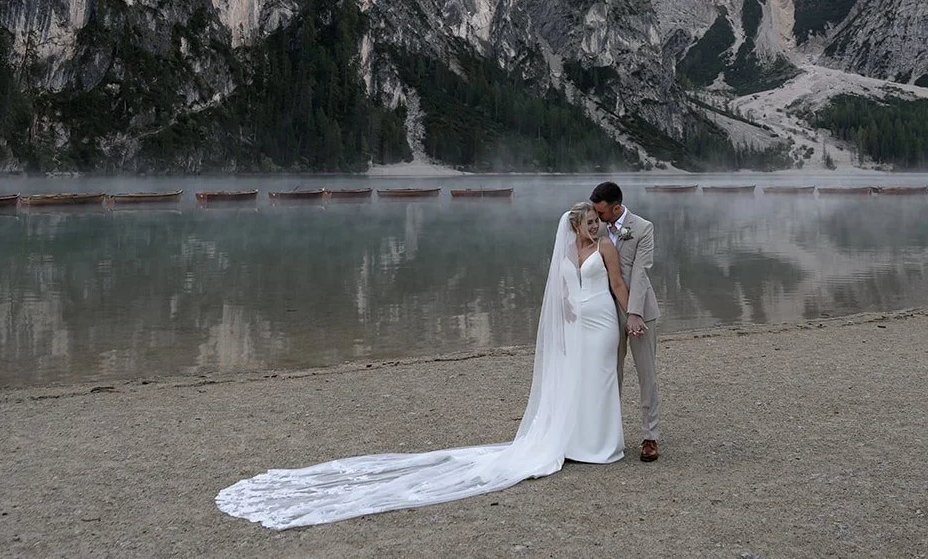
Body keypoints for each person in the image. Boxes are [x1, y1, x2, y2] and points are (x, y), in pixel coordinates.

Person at [215, 205, 630, 529]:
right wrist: (566, 308)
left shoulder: (605, 248)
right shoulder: (566, 251)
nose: (595, 226)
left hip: (601, 321)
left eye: (597, 221)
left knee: (600, 379)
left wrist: (633, 316)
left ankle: (600, 444)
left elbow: (615, 284)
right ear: (575, 226)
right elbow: (559, 289)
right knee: (577, 381)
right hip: (576, 326)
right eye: (590, 222)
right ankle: (576, 443)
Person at [589, 180, 661, 462]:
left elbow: (641, 273)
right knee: (610, 374)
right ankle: (609, 434)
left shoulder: (643, 228)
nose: (597, 217)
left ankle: (650, 436)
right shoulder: (595, 228)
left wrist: (634, 312)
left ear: (617, 208)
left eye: (601, 212)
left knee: (646, 375)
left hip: (640, 311)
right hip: (606, 312)